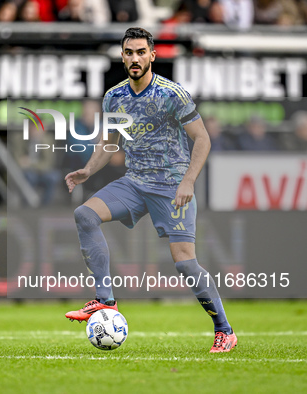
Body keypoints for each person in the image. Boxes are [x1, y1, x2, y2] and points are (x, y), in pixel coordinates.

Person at [64, 27, 237, 353]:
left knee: (185, 263)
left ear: (152, 56)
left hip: (172, 187)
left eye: (141, 52)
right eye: (129, 52)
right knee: (85, 215)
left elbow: (203, 139)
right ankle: (106, 301)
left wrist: (187, 181)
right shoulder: (115, 97)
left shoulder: (172, 94)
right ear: (122, 56)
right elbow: (109, 142)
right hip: (135, 182)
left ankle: (224, 330)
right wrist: (88, 169)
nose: (135, 58)